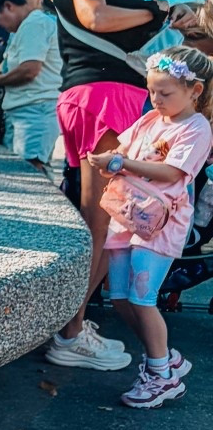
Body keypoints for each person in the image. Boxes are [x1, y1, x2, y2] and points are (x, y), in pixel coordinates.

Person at [43, 0, 173, 371]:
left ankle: (72, 324)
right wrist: (153, 9)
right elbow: (94, 16)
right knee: (101, 222)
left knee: (102, 220)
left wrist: (160, 16)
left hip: (99, 96)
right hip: (104, 97)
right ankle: (70, 334)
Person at [87, 45, 213, 409]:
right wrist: (109, 159)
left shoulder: (197, 128)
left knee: (142, 299)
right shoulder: (150, 120)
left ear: (194, 91)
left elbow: (172, 172)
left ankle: (161, 374)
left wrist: (120, 163)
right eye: (152, 90)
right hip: (127, 216)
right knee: (121, 297)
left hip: (160, 226)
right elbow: (124, 148)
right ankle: (164, 357)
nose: (156, 99)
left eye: (165, 93)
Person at [0, 0, 62, 170]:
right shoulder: (25, 27)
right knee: (22, 172)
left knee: (30, 173)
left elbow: (29, 70)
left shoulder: (35, 23)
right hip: (26, 111)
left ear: (9, 6)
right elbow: (10, 64)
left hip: (35, 112)